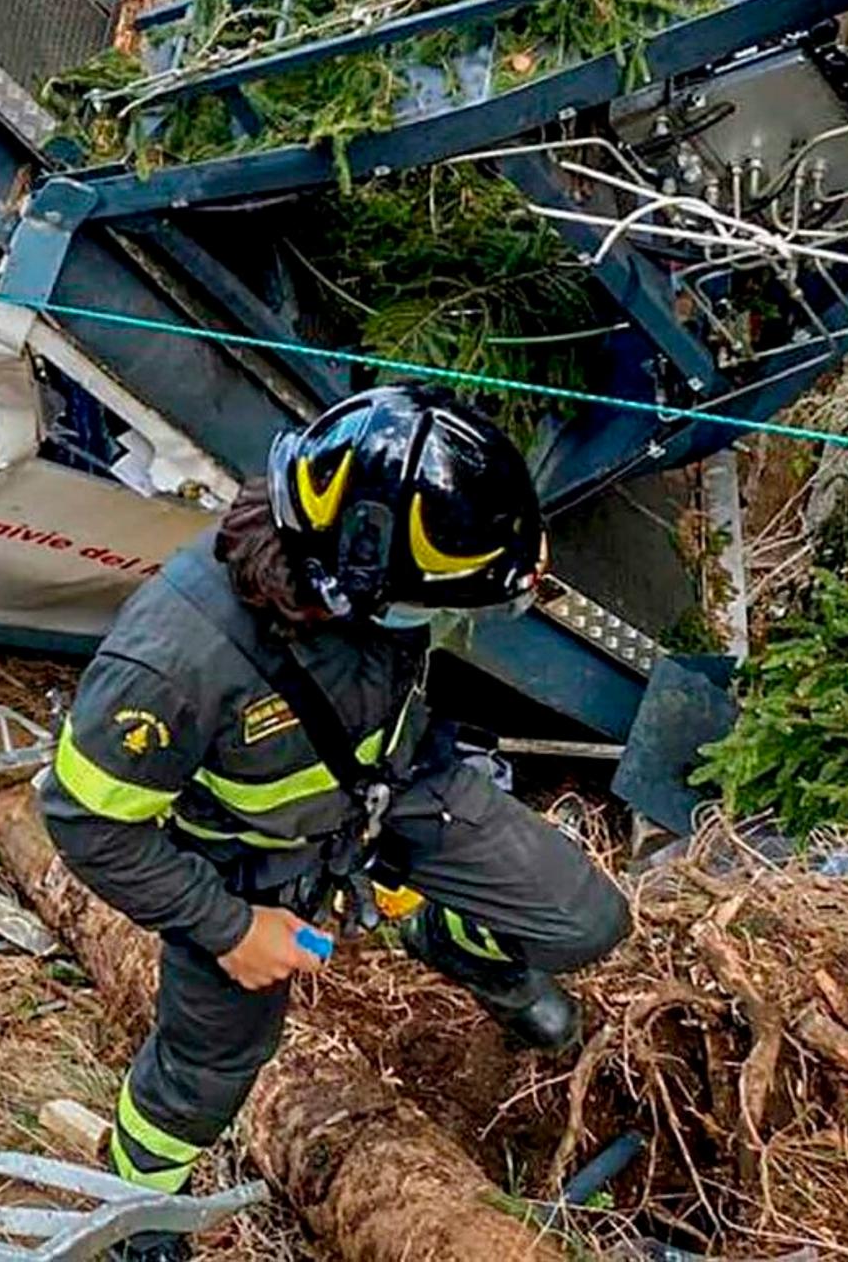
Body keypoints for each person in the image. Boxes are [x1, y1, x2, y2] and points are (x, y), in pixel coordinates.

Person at [41, 384, 630, 1210]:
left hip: (393, 789)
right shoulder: (173, 664)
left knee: (584, 921)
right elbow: (86, 822)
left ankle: (450, 941)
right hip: (247, 865)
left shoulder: (368, 554)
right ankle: (139, 1209)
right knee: (206, 1072)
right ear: (350, 578)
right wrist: (230, 927)